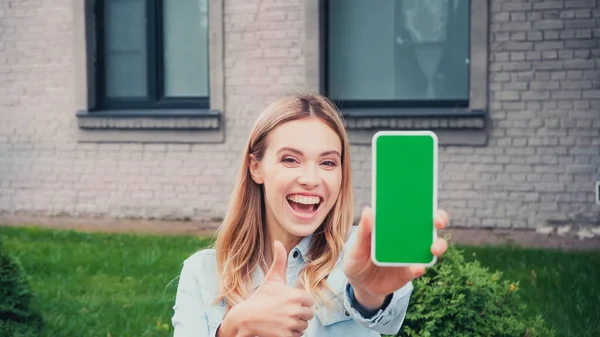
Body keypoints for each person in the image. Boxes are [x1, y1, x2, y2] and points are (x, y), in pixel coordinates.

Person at [171, 93, 449, 337]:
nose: (311, 178)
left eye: (328, 162)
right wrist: (233, 329)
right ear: (256, 168)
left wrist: (370, 293)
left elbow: (381, 310)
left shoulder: (360, 253)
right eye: (290, 159)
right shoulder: (202, 273)